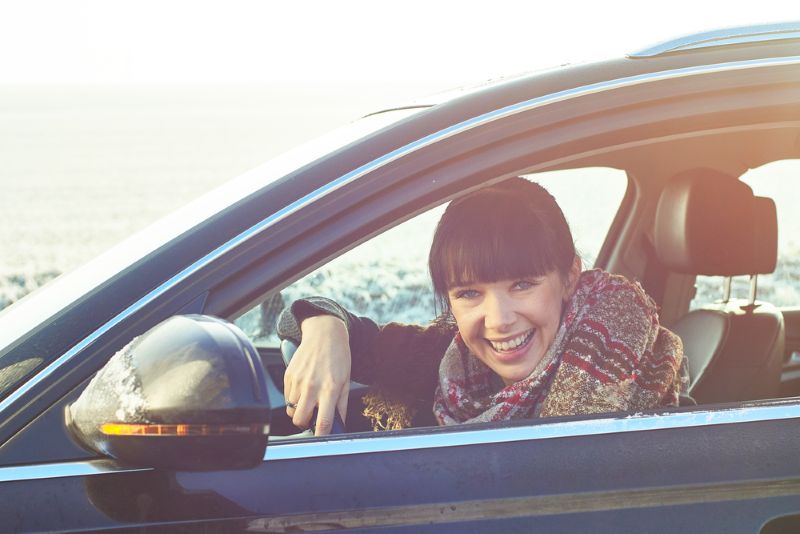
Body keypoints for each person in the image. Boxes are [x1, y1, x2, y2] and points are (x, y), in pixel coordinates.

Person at [278, 177, 687, 435]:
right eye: (468, 293)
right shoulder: (446, 358)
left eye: (523, 284)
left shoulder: (652, 412)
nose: (498, 321)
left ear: (569, 279)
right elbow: (309, 317)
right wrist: (325, 329)